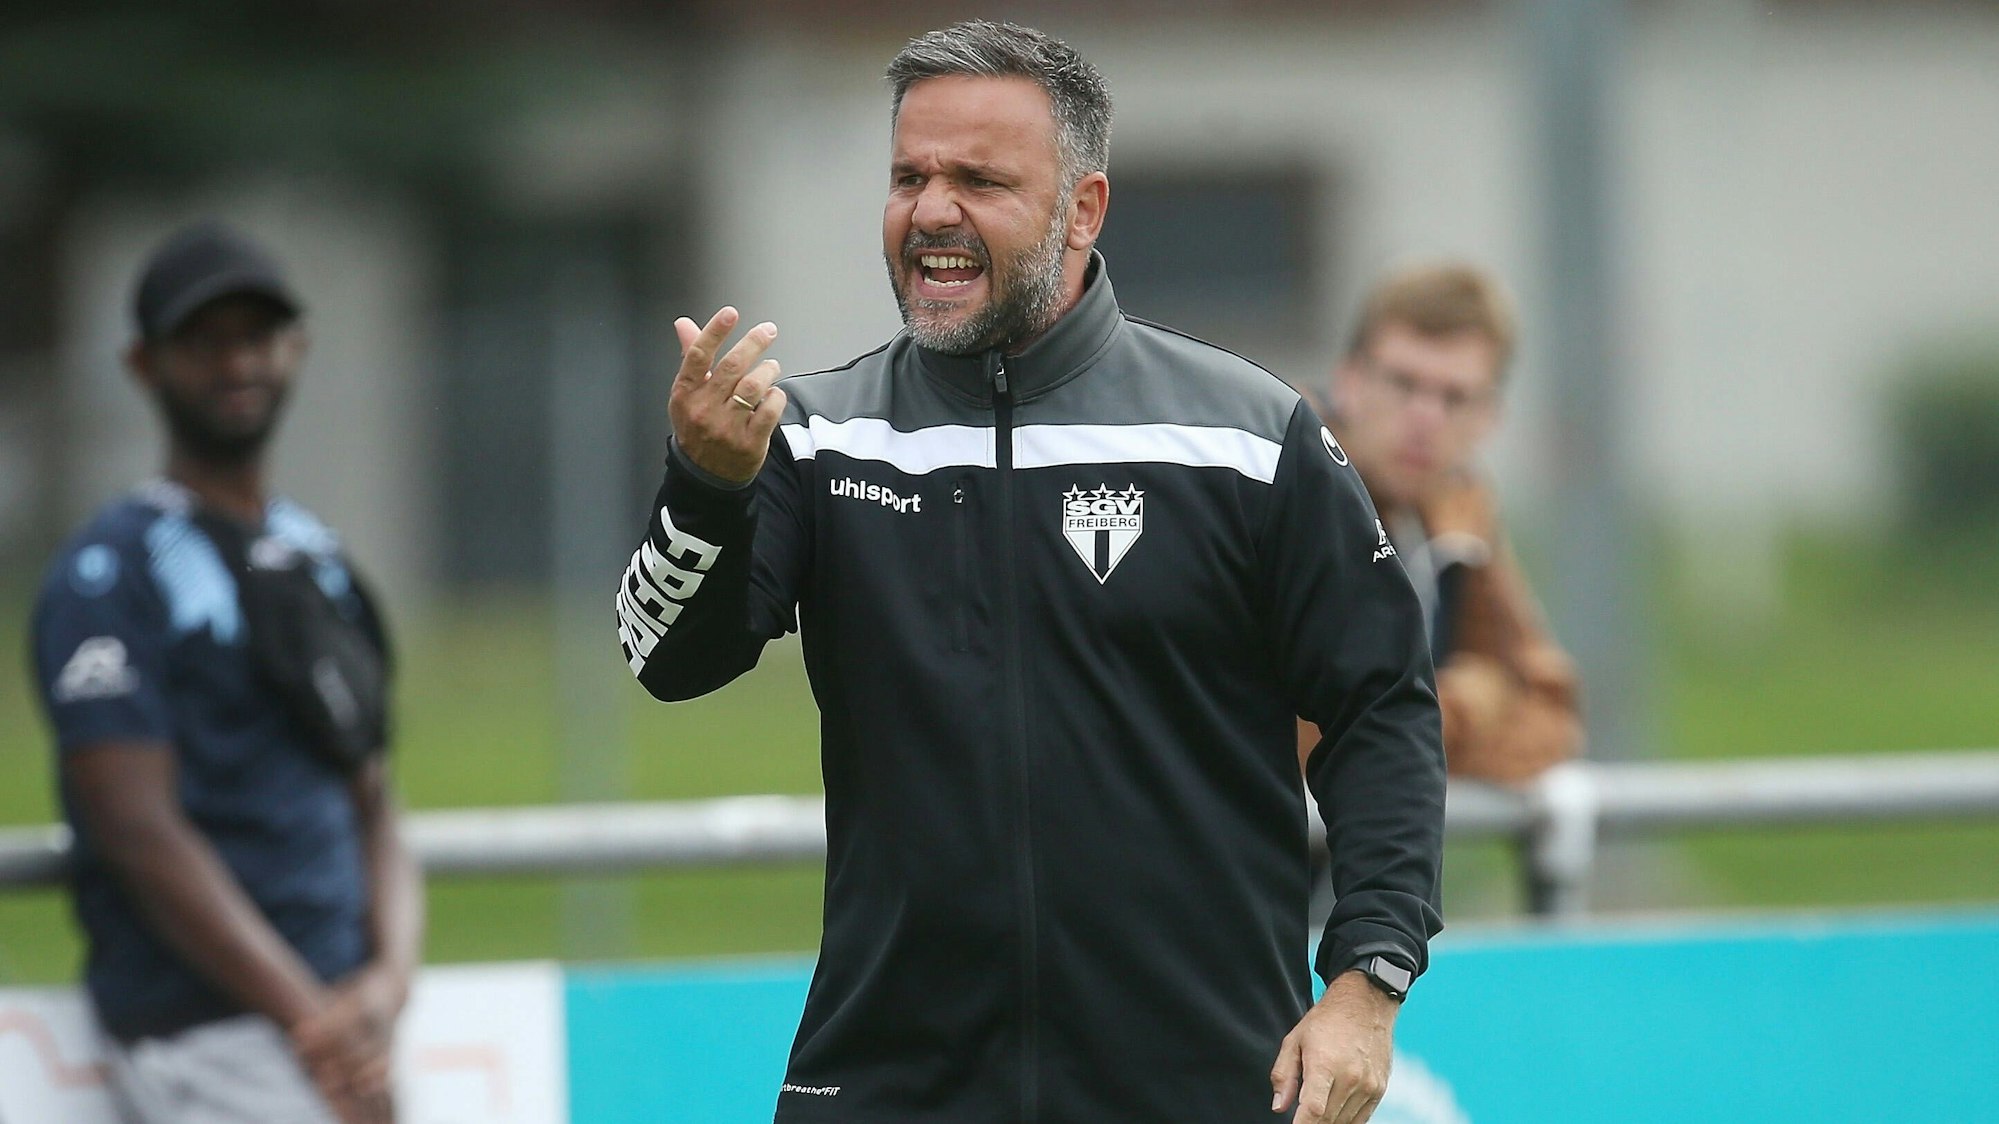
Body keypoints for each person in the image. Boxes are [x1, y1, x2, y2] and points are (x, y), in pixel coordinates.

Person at [616, 22, 1444, 1124]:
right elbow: (665, 659)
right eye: (909, 176)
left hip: (1199, 1086)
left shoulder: (1246, 438)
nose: (932, 210)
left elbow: (1381, 707)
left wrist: (1365, 982)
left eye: (979, 179)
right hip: (892, 1088)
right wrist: (705, 486)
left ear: (1083, 208)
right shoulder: (818, 439)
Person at [29, 222, 423, 1124]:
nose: (236, 363)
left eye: (256, 337)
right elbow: (135, 828)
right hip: (207, 1032)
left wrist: (387, 987)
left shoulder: (315, 557)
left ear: (296, 350)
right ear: (142, 365)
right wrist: (312, 1021)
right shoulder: (109, 573)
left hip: (346, 1029)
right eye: (203, 343)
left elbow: (374, 796)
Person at [1299, 265, 1582, 785]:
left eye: (1454, 398)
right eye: (1403, 384)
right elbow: (1309, 735)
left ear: (1489, 417)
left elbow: (1552, 715)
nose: (1425, 418)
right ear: (1349, 381)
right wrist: (1474, 699)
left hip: (1354, 857)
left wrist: (1425, 724)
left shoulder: (1459, 506)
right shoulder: (1286, 488)